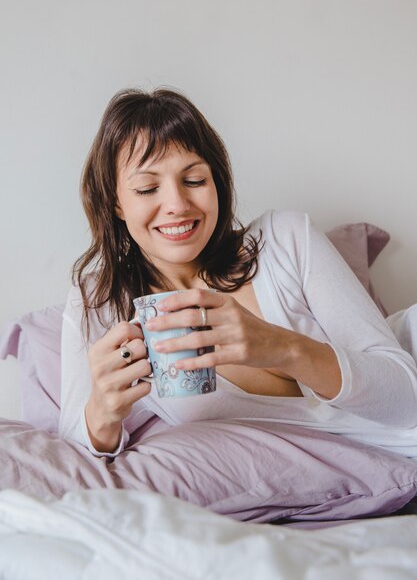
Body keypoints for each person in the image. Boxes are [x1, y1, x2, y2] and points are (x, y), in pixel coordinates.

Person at [59, 87, 417, 459]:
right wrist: (103, 411)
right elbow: (70, 453)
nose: (177, 206)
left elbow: (406, 396)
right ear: (116, 201)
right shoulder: (99, 304)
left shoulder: (286, 239)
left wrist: (280, 347)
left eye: (195, 180)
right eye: (148, 188)